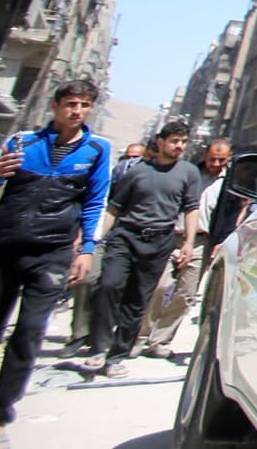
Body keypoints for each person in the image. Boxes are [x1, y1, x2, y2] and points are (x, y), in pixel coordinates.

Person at [0, 80, 111, 446]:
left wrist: (86, 250)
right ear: (55, 106)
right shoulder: (22, 143)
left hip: (51, 253)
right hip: (3, 248)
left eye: (84, 105)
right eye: (70, 103)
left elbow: (96, 202)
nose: (77, 111)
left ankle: (0, 414)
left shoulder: (98, 150)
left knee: (29, 334)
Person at [83, 122, 200, 378]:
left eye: (183, 141)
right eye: (174, 141)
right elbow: (114, 208)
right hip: (125, 237)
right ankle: (99, 347)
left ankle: (116, 356)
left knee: (137, 301)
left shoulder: (189, 173)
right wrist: (95, 242)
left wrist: (188, 243)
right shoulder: (137, 172)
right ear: (160, 142)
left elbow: (191, 208)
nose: (179, 146)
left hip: (158, 243)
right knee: (108, 286)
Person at [136, 139, 231, 358]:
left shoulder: (229, 182)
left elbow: (235, 210)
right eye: (212, 159)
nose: (215, 164)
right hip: (172, 237)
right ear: (204, 156)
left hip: (202, 241)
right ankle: (141, 336)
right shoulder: (188, 174)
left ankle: (160, 340)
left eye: (221, 160)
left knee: (186, 293)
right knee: (159, 288)